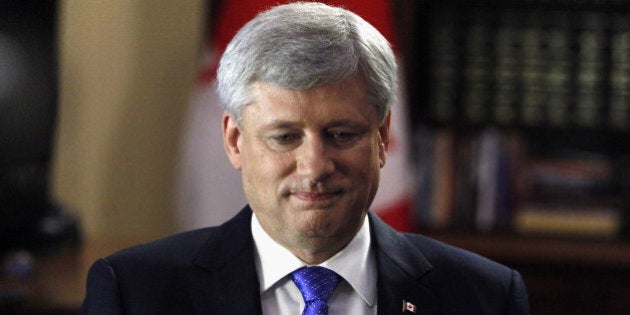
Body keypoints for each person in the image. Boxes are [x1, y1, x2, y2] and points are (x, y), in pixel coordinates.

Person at [80, 2, 530, 314]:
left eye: (341, 134)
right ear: (235, 141)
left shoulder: (484, 297)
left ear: (382, 137)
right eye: (284, 137)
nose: (314, 167)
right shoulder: (134, 293)